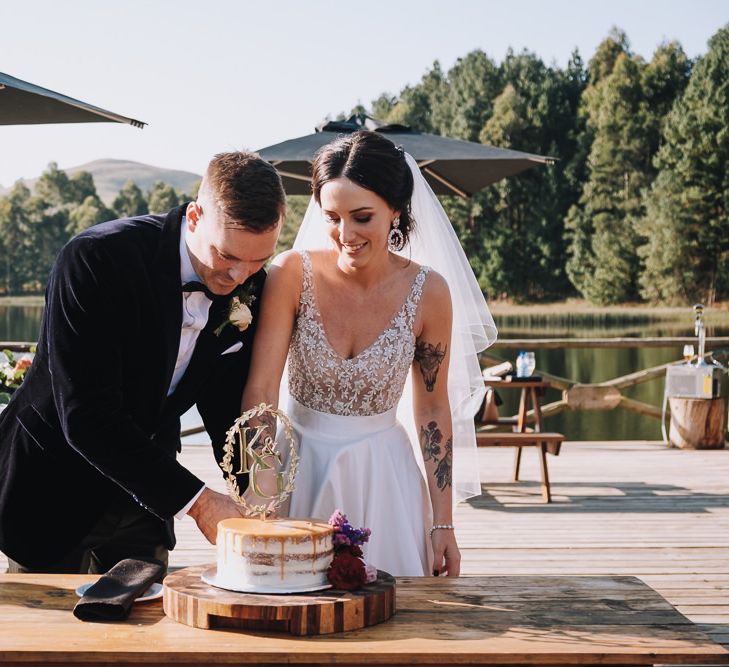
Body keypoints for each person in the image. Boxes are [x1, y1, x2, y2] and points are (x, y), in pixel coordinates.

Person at [0, 151, 285, 574]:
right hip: (52, 488)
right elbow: (87, 417)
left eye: (257, 261)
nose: (239, 277)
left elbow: (225, 406)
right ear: (194, 217)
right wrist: (202, 503)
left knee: (147, 626)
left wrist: (258, 499)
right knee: (52, 633)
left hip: (147, 499)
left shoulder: (249, 286)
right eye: (227, 256)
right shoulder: (96, 260)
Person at [241, 131, 496, 577]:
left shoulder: (429, 292)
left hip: (386, 478)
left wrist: (443, 523)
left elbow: (433, 409)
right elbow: (261, 390)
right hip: (298, 468)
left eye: (362, 217)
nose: (346, 234)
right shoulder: (290, 273)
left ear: (395, 211)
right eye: (332, 217)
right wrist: (260, 495)